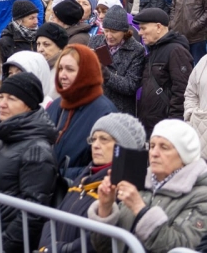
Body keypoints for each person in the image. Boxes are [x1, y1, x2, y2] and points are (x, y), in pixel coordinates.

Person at [89, 120, 207, 251]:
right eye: (152, 146)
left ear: (184, 155)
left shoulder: (201, 195)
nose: (154, 153)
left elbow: (180, 246)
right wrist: (106, 208)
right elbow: (104, 247)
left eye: (164, 147)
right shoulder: (141, 182)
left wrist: (140, 209)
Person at [37, 113, 147, 253]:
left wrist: (62, 249)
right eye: (93, 139)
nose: (95, 145)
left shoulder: (123, 186)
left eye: (104, 139)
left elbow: (99, 240)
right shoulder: (85, 176)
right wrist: (46, 247)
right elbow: (55, 216)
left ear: (123, 146)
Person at [0, 73, 58, 253]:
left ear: (28, 105)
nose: (2, 104)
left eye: (11, 99)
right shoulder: (1, 135)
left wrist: (1, 247)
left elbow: (33, 211)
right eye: (1, 97)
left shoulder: (36, 150)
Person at [47, 44, 117, 180]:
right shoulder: (56, 105)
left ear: (87, 72)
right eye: (60, 69)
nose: (62, 75)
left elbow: (103, 167)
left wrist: (60, 175)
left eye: (70, 69)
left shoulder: (105, 113)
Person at [136, 7, 193, 136]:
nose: (139, 33)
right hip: (151, 125)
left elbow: (182, 91)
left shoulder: (176, 51)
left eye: (143, 28)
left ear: (158, 27)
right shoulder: (153, 50)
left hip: (166, 128)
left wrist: (174, 125)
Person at [88, 5, 145, 115]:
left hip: (119, 110)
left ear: (124, 31)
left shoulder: (136, 50)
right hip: (95, 106)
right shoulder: (95, 41)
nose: (109, 36)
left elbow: (131, 86)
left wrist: (106, 74)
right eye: (106, 30)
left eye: (114, 32)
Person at [0, 0, 39, 68]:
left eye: (36, 17)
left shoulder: (40, 37)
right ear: (19, 20)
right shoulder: (5, 43)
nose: (36, 22)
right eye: (31, 18)